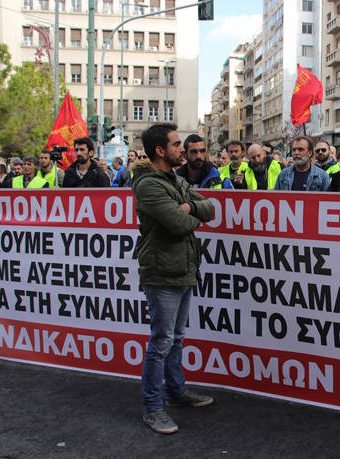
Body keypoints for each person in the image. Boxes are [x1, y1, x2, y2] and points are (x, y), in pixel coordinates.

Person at [131, 123, 215, 434]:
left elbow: (210, 208)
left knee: (176, 338)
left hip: (183, 269)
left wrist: (191, 206)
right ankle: (153, 407)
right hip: (163, 273)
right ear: (160, 150)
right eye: (178, 144)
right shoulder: (148, 185)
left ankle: (176, 392)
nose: (183, 149)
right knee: (161, 341)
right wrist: (192, 213)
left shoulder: (173, 179)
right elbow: (180, 224)